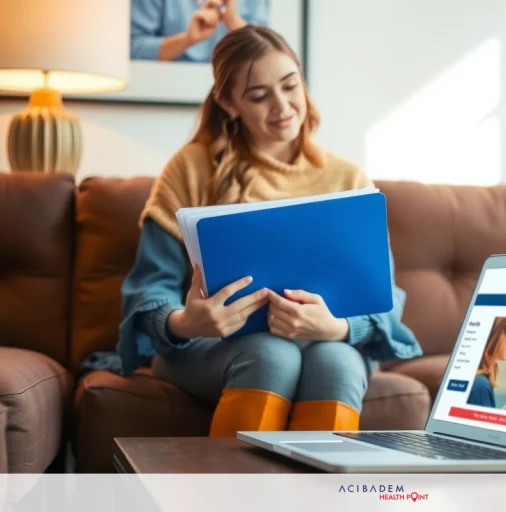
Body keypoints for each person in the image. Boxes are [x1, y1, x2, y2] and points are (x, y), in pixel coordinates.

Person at [117, 25, 423, 436]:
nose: (281, 106)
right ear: (228, 104)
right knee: (272, 354)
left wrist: (338, 328)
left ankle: (320, 499)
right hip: (209, 347)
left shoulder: (347, 179)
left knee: (338, 361)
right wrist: (185, 322)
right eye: (259, 96)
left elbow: (380, 294)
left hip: (328, 342)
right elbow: (151, 286)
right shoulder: (191, 168)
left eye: (289, 86)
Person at [130, 0, 270, 62]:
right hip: (167, 91)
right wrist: (186, 40)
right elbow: (133, 47)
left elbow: (268, 53)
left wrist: (232, 20)